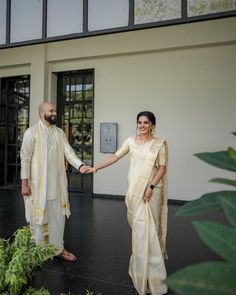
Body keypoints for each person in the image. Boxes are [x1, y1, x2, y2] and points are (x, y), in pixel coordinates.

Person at [89, 111, 168, 295]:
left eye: (146, 122)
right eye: (139, 122)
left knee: (149, 234)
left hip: (150, 193)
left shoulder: (159, 145)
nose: (142, 125)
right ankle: (140, 275)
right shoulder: (130, 141)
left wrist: (150, 186)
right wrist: (96, 167)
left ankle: (155, 281)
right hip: (134, 192)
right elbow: (115, 157)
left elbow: (162, 168)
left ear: (152, 125)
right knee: (140, 235)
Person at [20, 102, 90, 262]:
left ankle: (58, 249)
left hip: (57, 185)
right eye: (51, 111)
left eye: (55, 111)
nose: (54, 113)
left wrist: (81, 165)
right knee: (38, 219)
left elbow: (69, 152)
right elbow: (25, 159)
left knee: (58, 219)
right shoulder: (31, 133)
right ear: (41, 114)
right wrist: (24, 183)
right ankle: (38, 252)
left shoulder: (59, 133)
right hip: (38, 186)